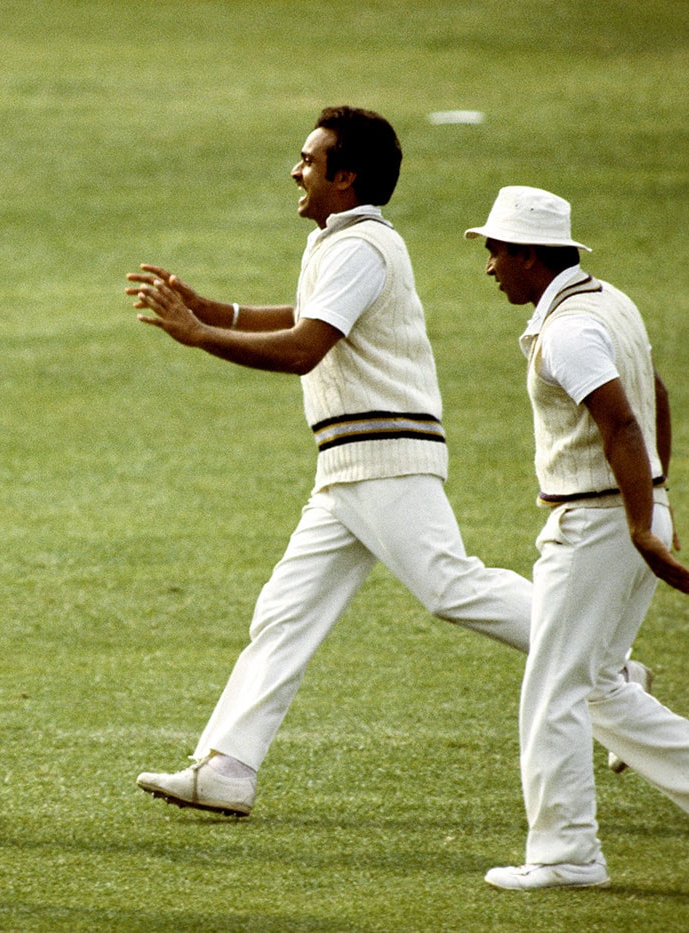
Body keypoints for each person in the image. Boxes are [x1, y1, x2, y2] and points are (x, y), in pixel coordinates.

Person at [126, 106, 537, 819]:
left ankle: (602, 657)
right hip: (350, 462)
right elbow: (302, 317)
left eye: (310, 161)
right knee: (286, 612)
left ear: (345, 178)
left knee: (450, 587)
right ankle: (226, 769)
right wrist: (210, 309)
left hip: (382, 453)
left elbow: (302, 349)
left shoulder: (362, 246)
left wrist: (198, 335)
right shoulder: (339, 241)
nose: (297, 171)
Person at [466, 185, 689, 890]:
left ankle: (567, 855)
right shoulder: (610, 301)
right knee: (596, 687)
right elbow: (655, 394)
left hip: (598, 523)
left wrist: (638, 522)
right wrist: (656, 496)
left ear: (530, 256)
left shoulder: (568, 329)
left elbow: (621, 420)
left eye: (497, 251)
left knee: (555, 689)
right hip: (628, 510)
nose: (490, 266)